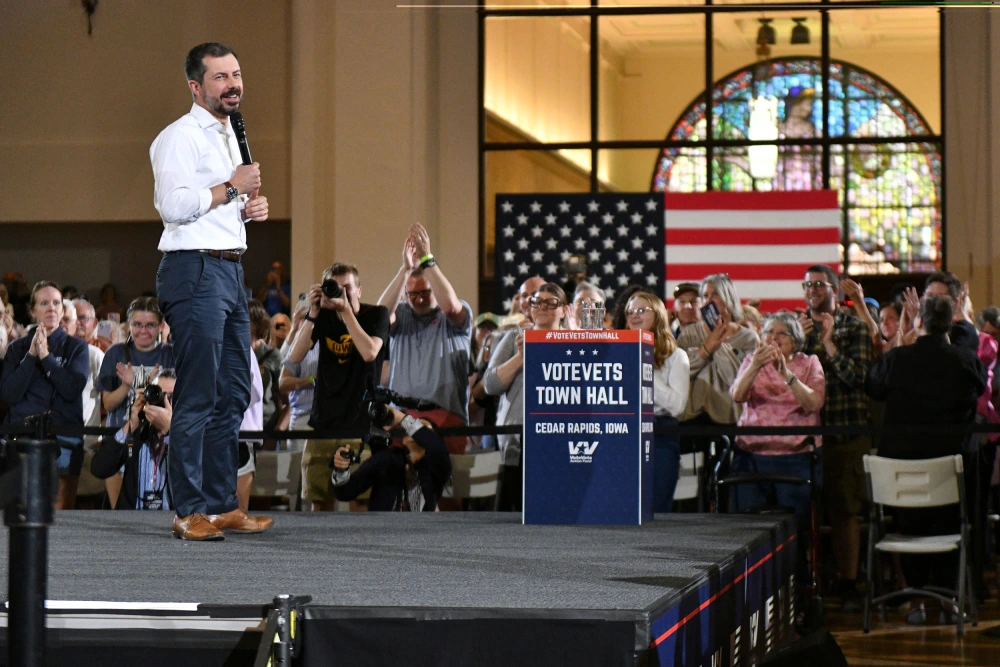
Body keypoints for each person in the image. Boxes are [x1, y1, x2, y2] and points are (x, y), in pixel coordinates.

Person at [150, 42, 272, 540]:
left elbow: (223, 200)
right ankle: (188, 511)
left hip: (229, 270)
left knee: (235, 392)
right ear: (195, 87)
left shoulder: (230, 134)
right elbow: (172, 205)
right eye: (220, 77)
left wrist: (246, 209)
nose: (232, 84)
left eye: (236, 74)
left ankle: (222, 506)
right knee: (198, 394)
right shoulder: (178, 137)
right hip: (194, 269)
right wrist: (232, 187)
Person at [866, 295, 987, 624]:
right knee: (952, 525)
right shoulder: (965, 360)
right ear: (951, 323)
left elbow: (872, 388)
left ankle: (917, 599)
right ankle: (948, 600)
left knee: (908, 528)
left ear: (919, 321)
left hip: (899, 480)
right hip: (950, 474)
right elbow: (980, 390)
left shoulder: (897, 359)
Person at [798, 265, 873, 612]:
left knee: (844, 511)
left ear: (834, 289)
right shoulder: (796, 328)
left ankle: (848, 583)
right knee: (806, 513)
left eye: (819, 284)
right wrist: (800, 342)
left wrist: (829, 345)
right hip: (801, 437)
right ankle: (806, 583)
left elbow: (860, 378)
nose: (812, 290)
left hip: (843, 431)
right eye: (807, 285)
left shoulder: (854, 327)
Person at [286, 262, 389, 511]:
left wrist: (345, 312)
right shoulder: (323, 317)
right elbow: (295, 356)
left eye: (348, 287)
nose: (342, 293)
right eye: (335, 287)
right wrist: (312, 314)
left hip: (360, 425)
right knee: (319, 501)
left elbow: (369, 352)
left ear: (359, 290)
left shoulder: (376, 314)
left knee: (360, 501)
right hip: (323, 423)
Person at [377, 223, 473, 454]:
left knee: (446, 476)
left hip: (446, 415)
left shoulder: (456, 314)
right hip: (402, 415)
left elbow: (450, 307)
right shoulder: (401, 314)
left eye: (425, 293)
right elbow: (380, 317)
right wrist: (404, 270)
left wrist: (427, 260)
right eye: (413, 294)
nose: (419, 299)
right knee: (397, 472)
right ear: (405, 294)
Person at [730, 313, 825, 529]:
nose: (774, 338)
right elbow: (737, 395)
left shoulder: (809, 363)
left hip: (796, 457)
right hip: (752, 456)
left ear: (796, 340)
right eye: (769, 332)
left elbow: (814, 403)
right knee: (749, 527)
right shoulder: (751, 361)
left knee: (796, 527)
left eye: (782, 333)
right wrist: (755, 366)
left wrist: (788, 375)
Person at [0, 282, 89, 509]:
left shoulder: (76, 348)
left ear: (62, 309)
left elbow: (71, 389)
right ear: (33, 310)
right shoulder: (17, 349)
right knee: (20, 510)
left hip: (63, 437)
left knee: (61, 515)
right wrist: (31, 356)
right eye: (44, 303)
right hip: (21, 437)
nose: (51, 308)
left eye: (56, 303)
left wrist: (46, 357)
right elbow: (9, 395)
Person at [480, 283, 568, 511]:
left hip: (561, 440)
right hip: (517, 441)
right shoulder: (513, 337)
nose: (542, 307)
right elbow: (490, 385)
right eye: (537, 302)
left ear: (564, 310)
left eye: (551, 303)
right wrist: (521, 356)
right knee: (515, 513)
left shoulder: (572, 343)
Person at [625, 292, 689, 512]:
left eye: (642, 310)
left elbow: (677, 406)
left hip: (660, 435)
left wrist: (643, 369)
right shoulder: (618, 353)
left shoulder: (676, 356)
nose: (634, 315)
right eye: (630, 311)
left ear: (659, 315)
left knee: (657, 509)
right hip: (623, 433)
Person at [331, 406, 451, 511]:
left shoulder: (437, 468)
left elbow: (436, 447)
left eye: (421, 429)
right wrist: (341, 470)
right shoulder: (386, 460)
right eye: (411, 429)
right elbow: (344, 493)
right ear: (404, 439)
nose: (414, 433)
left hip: (422, 529)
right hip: (383, 529)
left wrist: (402, 418)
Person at [91, 370, 176, 510]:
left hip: (171, 520)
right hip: (132, 519)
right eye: (160, 394)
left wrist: (170, 431)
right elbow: (99, 469)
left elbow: (194, 475)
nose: (164, 402)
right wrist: (131, 424)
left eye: (171, 397)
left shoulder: (192, 439)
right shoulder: (137, 435)